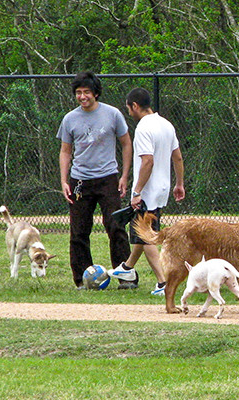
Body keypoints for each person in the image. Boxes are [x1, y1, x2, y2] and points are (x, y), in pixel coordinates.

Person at [57, 71, 133, 289]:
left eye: (87, 92)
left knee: (116, 226)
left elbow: (126, 143)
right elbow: (65, 151)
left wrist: (124, 176)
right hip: (80, 181)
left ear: (96, 93)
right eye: (79, 93)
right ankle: (82, 279)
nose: (83, 96)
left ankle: (126, 278)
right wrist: (64, 180)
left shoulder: (113, 114)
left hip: (108, 178)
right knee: (79, 231)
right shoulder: (70, 119)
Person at [107, 87, 185, 295]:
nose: (129, 113)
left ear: (135, 106)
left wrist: (137, 191)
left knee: (145, 235)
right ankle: (126, 268)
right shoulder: (166, 124)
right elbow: (177, 157)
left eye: (129, 108)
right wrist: (179, 183)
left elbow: (147, 161)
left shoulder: (143, 128)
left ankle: (163, 283)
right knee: (145, 230)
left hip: (148, 190)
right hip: (162, 188)